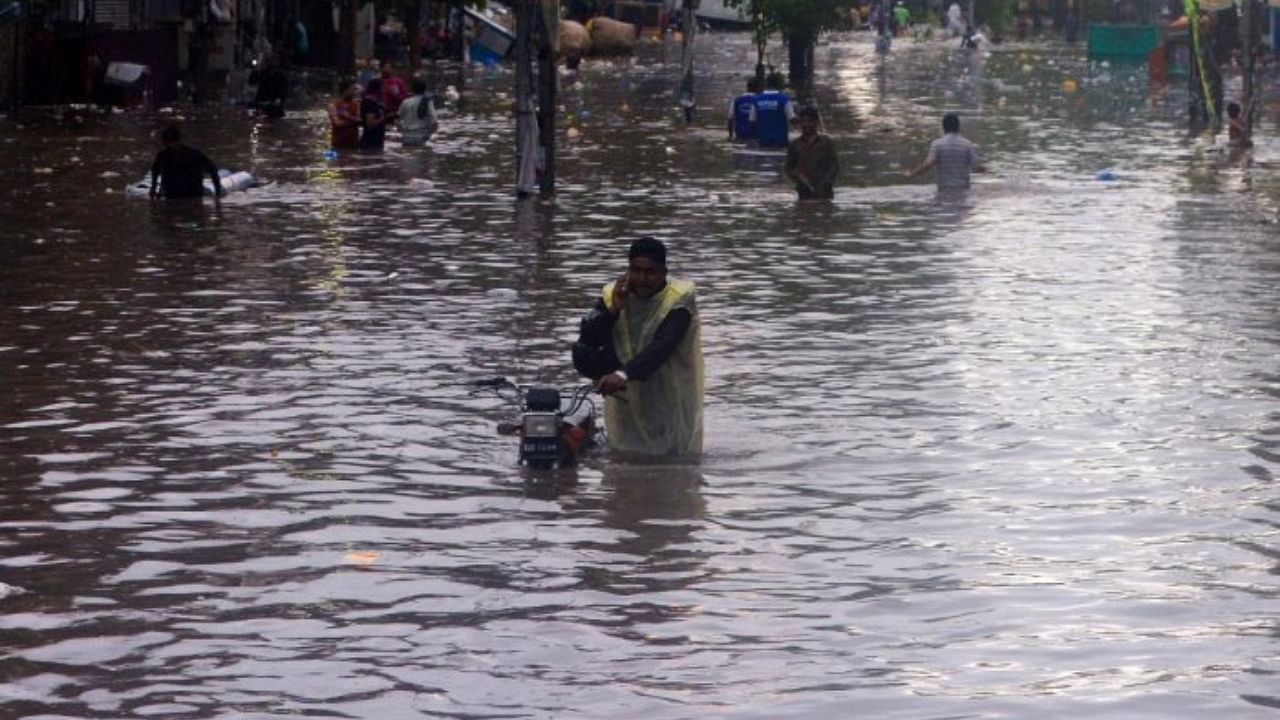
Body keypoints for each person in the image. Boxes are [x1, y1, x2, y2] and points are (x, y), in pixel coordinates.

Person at [572, 237, 704, 457]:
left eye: (650, 272)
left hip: (669, 395)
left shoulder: (680, 300)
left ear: (664, 272)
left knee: (673, 465)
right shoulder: (612, 294)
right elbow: (587, 342)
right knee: (623, 464)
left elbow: (662, 346)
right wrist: (613, 310)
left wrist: (623, 374)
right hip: (625, 396)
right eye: (635, 270)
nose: (642, 279)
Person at [907, 112, 984, 190]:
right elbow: (977, 166)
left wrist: (912, 174)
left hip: (943, 188)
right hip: (962, 188)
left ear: (943, 127)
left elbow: (928, 164)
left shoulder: (937, 144)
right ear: (958, 127)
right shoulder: (967, 144)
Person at [149, 125, 222, 200]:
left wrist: (218, 191)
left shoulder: (194, 154)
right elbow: (155, 172)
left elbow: (212, 169)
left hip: (193, 192)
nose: (172, 146)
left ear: (179, 141)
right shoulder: (163, 156)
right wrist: (153, 189)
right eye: (168, 143)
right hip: (171, 192)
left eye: (173, 142)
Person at [785, 106, 839, 200]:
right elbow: (789, 168)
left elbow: (834, 166)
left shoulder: (826, 143)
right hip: (804, 193)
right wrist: (799, 179)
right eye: (803, 122)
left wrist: (827, 182)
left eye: (810, 121)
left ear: (816, 122)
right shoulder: (795, 145)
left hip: (825, 192)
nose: (806, 125)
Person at [754, 75, 795, 149]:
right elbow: (792, 119)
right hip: (780, 141)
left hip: (762, 141)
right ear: (779, 85)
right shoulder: (784, 99)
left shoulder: (756, 99)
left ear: (765, 84)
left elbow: (752, 120)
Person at [397, 80, 439, 147]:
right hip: (420, 137)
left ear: (412, 90)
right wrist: (428, 135)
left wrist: (402, 131)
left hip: (406, 137)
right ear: (424, 90)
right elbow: (435, 123)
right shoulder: (427, 102)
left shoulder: (405, 101)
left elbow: (396, 120)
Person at [251, 54, 289, 119]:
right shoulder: (263, 73)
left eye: (273, 61)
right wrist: (255, 69)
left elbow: (284, 91)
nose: (271, 63)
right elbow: (253, 81)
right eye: (269, 61)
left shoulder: (281, 76)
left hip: (274, 104)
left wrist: (279, 99)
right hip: (262, 103)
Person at [359, 78, 391, 150]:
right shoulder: (369, 102)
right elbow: (370, 124)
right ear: (377, 89)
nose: (383, 91)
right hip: (370, 143)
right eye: (382, 88)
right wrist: (385, 117)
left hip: (377, 142)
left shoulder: (377, 102)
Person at [329, 83, 361, 149]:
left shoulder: (357, 104)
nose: (355, 93)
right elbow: (337, 123)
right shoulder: (333, 105)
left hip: (354, 144)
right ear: (345, 90)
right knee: (331, 159)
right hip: (337, 144)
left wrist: (347, 117)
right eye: (352, 90)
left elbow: (360, 121)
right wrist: (353, 121)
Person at [728, 77, 759, 142]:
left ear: (747, 87)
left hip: (740, 134)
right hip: (755, 136)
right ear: (757, 88)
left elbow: (730, 118)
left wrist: (730, 136)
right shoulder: (759, 100)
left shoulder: (736, 100)